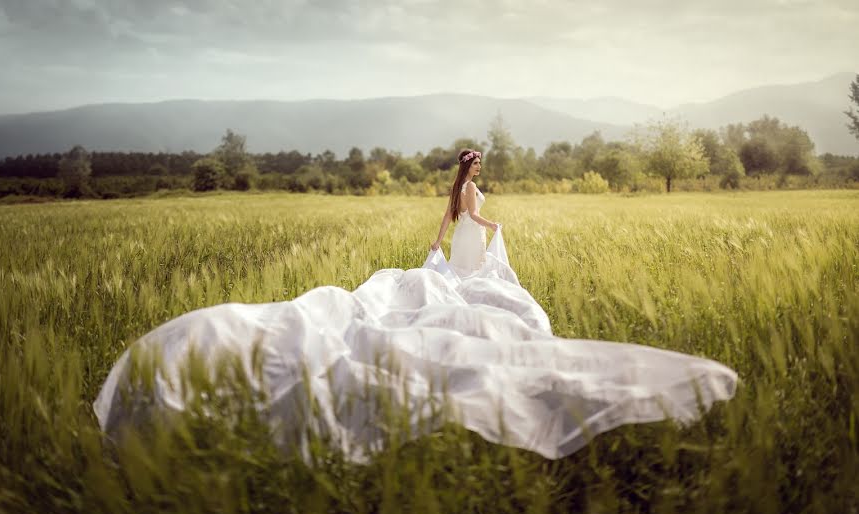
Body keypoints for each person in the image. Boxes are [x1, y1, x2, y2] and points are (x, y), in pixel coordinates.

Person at [94, 148, 738, 464]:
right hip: (466, 241)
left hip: (453, 244)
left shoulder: (458, 187)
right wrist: (484, 233)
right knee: (464, 297)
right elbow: (469, 220)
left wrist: (437, 251)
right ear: (475, 166)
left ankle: (447, 278)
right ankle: (452, 283)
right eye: (478, 163)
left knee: (449, 284)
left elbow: (445, 222)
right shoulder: (473, 192)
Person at [430, 149, 501, 277]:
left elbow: (447, 216)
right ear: (467, 166)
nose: (479, 166)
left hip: (461, 234)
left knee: (460, 274)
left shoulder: (457, 186)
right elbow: (473, 215)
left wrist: (438, 242)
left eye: (479, 163)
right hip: (472, 234)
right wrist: (491, 225)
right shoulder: (470, 186)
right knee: (472, 273)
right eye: (475, 163)